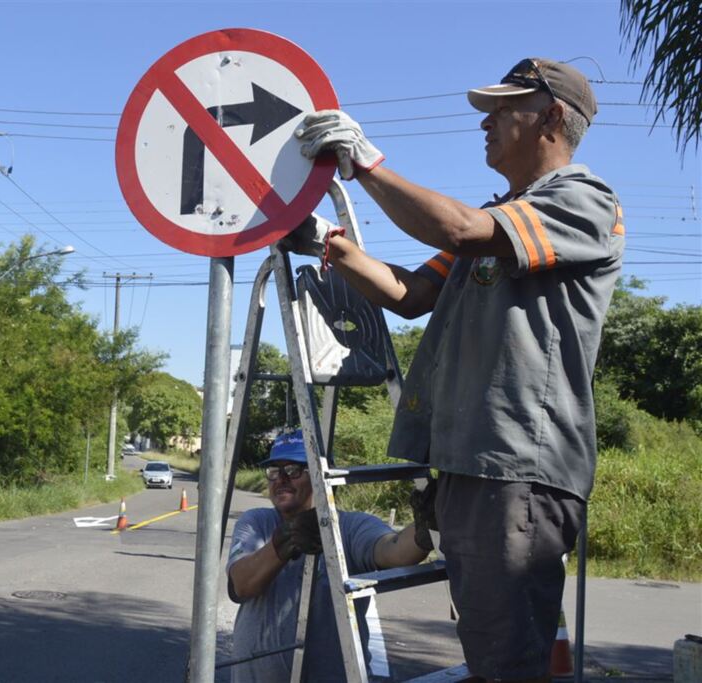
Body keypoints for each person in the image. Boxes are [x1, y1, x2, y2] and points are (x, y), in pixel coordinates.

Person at [284, 58, 624, 681]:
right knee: (492, 652)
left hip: (518, 466)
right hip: (474, 466)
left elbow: (462, 230)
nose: (485, 123)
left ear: (550, 116)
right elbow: (410, 293)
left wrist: (365, 164)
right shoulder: (503, 217)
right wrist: (329, 243)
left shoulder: (581, 200)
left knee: (507, 664)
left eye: (501, 109)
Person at [226, 429, 430, 682]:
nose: (280, 479)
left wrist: (427, 524)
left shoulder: (350, 526)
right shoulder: (257, 522)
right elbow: (241, 585)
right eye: (274, 471)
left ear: (326, 475)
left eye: (293, 470)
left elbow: (396, 551)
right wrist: (284, 541)